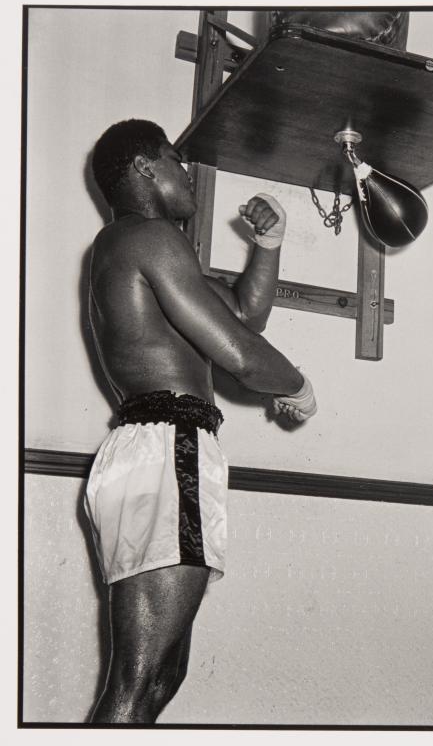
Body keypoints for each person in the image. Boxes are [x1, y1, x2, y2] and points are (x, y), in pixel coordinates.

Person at [84, 119, 317, 723]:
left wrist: (268, 245)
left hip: (154, 449)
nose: (186, 173)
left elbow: (241, 314)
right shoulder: (150, 237)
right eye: (175, 160)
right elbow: (238, 353)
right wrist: (299, 385)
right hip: (167, 448)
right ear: (144, 168)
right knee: (138, 682)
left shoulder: (134, 246)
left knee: (161, 677)